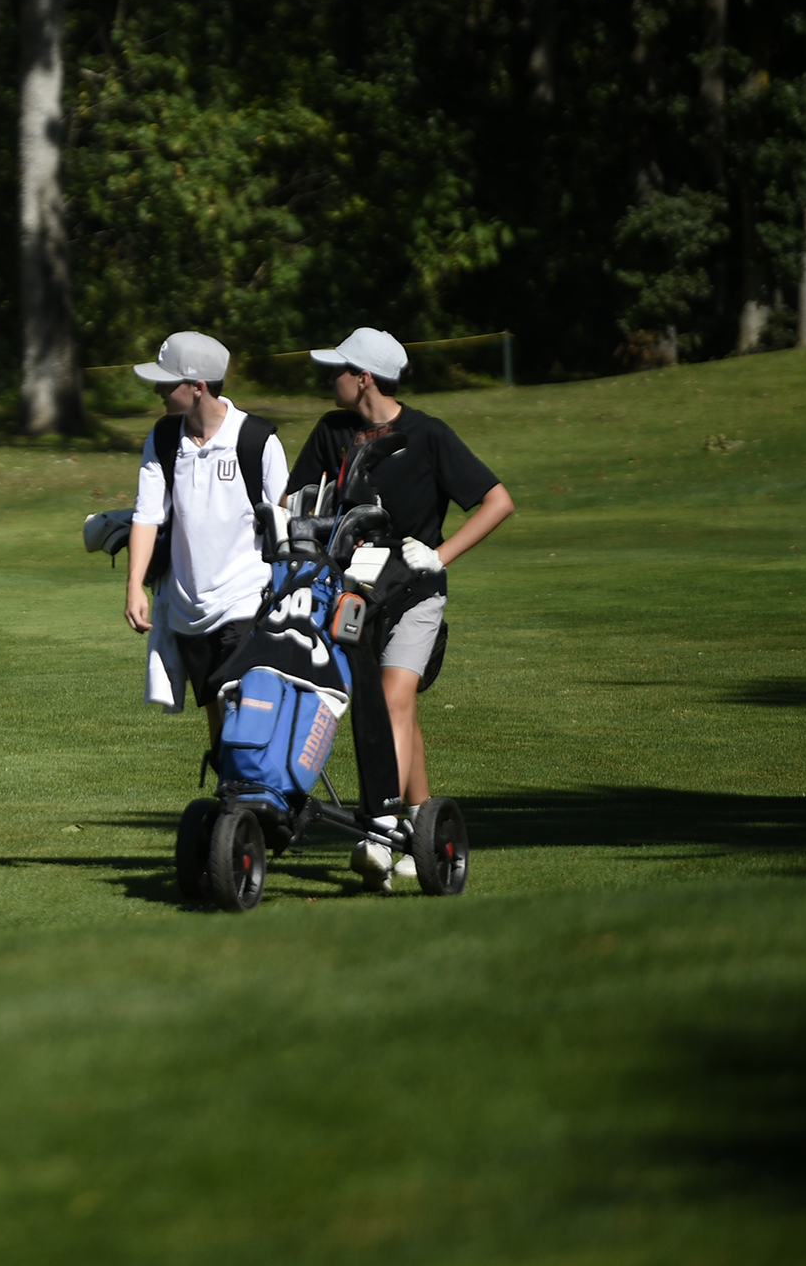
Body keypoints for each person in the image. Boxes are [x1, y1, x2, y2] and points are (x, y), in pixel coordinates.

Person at [288, 327, 515, 887]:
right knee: (396, 707)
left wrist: (439, 556)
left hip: (415, 593)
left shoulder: (428, 435)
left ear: (363, 377)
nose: (328, 378)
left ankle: (379, 828)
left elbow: (498, 501)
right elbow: (293, 506)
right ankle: (420, 827)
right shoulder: (331, 432)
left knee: (392, 698)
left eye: (337, 370)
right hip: (349, 596)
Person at [121, 331, 288, 749]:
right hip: (187, 606)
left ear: (197, 388)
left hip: (245, 596)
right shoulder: (162, 439)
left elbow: (284, 520)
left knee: (242, 704)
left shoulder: (257, 439)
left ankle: (252, 798)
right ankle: (233, 801)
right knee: (215, 706)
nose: (158, 390)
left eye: (167, 382)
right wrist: (134, 586)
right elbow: (146, 515)